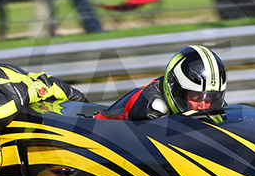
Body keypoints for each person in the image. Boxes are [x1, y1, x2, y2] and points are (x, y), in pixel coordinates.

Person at [95, 45, 227, 121]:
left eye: (209, 98)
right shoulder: (152, 110)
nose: (202, 106)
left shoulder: (214, 105)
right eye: (195, 97)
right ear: (174, 88)